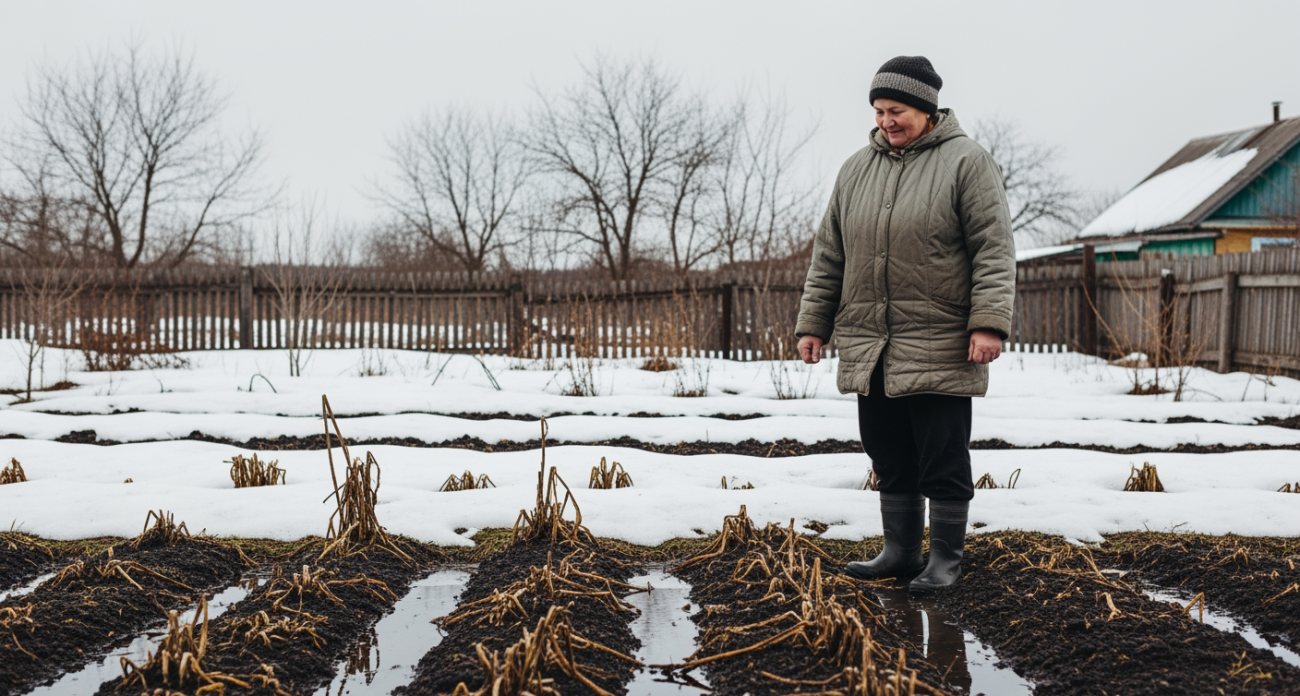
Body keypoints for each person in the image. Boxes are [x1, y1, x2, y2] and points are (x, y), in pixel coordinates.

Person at [794, 56, 1015, 592]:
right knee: (886, 449)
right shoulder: (855, 170)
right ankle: (899, 551)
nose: (885, 120)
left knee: (941, 452)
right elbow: (830, 255)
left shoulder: (967, 162)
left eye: (896, 110)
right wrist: (814, 323)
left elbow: (993, 249)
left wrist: (988, 323)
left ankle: (945, 559)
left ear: (926, 109)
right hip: (872, 342)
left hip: (939, 339)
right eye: (878, 110)